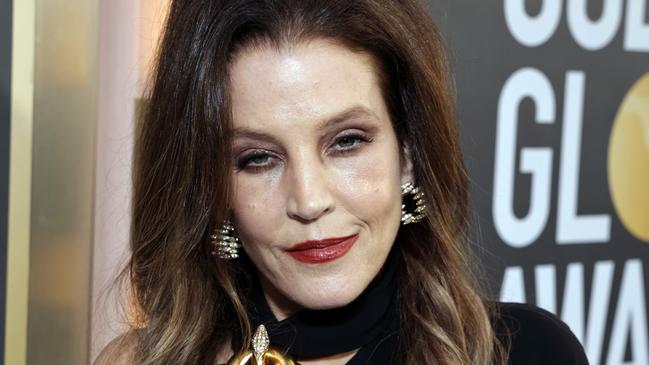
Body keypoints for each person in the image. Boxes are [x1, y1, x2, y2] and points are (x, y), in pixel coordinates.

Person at [95, 0, 589, 364]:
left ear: (409, 154)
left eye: (347, 142)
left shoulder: (520, 352)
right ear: (213, 190)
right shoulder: (138, 360)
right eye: (258, 159)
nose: (309, 200)